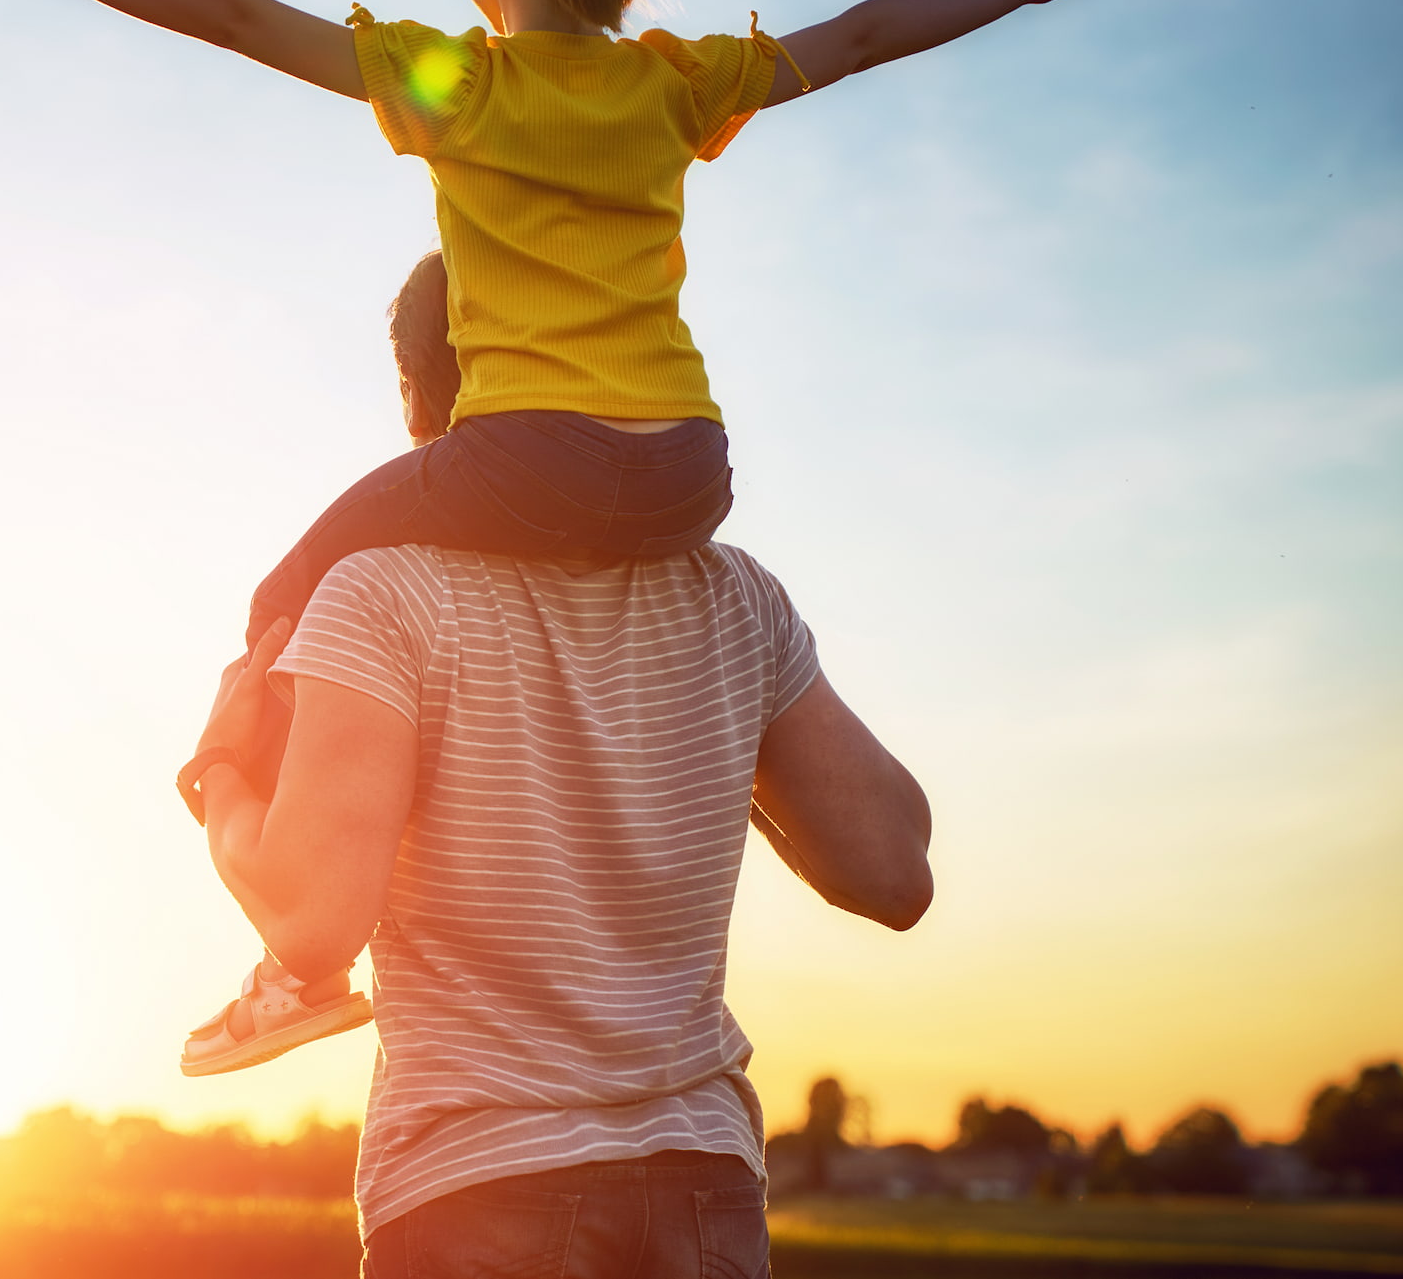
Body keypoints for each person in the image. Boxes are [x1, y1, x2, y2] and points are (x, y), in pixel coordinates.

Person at [0, 0, 1130, 1064]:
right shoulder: (677, 82)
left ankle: (294, 965)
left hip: (525, 460)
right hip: (683, 472)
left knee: (289, 589)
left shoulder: (461, 80)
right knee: (447, 555)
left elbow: (229, 11)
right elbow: (871, 30)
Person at [181, 250, 934, 1276]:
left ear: (416, 398)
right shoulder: (733, 597)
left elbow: (312, 926)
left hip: (476, 1187)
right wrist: (719, 728)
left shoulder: (380, 594)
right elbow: (892, 867)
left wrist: (218, 769)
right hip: (701, 1186)